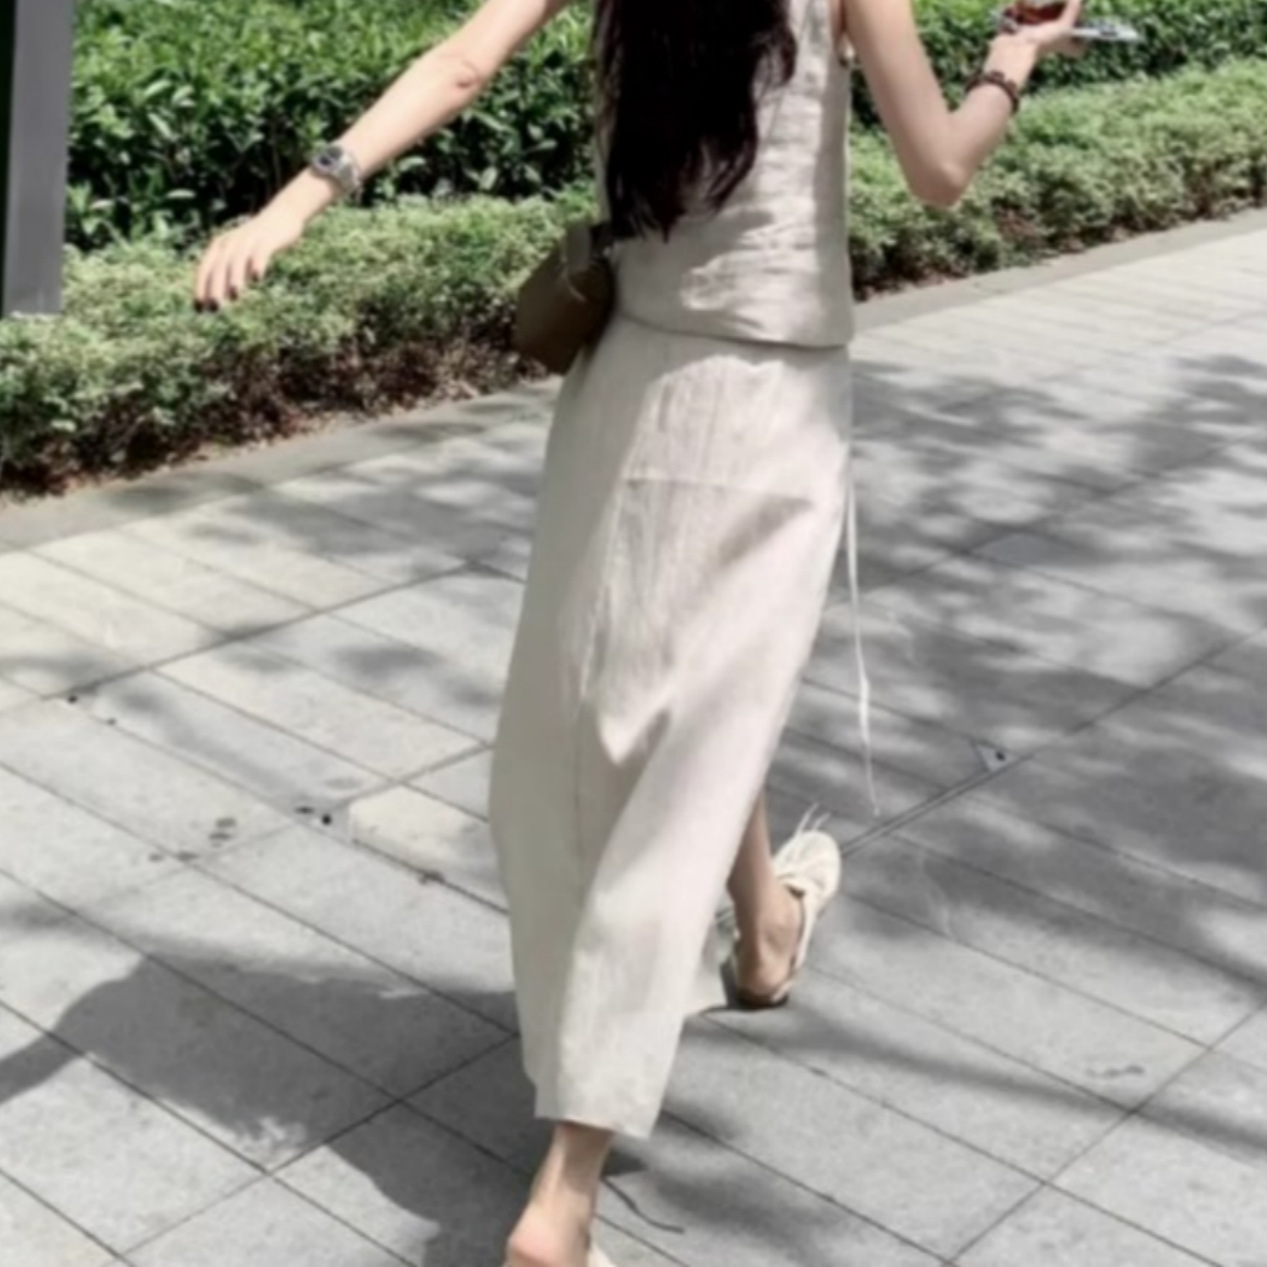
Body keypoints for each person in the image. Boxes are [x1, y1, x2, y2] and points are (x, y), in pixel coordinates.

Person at [195, 0, 1085, 1263]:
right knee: (692, 741)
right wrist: (1009, 63)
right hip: (768, 395)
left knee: (683, 695)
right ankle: (565, 1189)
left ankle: (765, 936)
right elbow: (938, 172)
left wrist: (294, 203)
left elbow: (464, 61)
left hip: (625, 382)